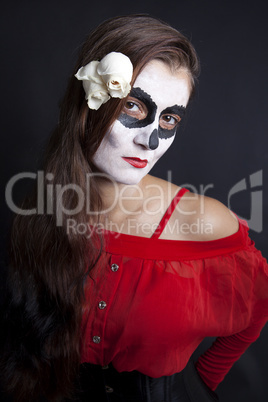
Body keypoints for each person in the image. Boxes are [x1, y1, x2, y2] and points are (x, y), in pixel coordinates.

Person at [1, 14, 267, 402]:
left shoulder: (204, 222)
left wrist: (206, 377)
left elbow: (257, 306)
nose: (151, 140)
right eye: (134, 107)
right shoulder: (39, 208)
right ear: (90, 102)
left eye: (169, 119)